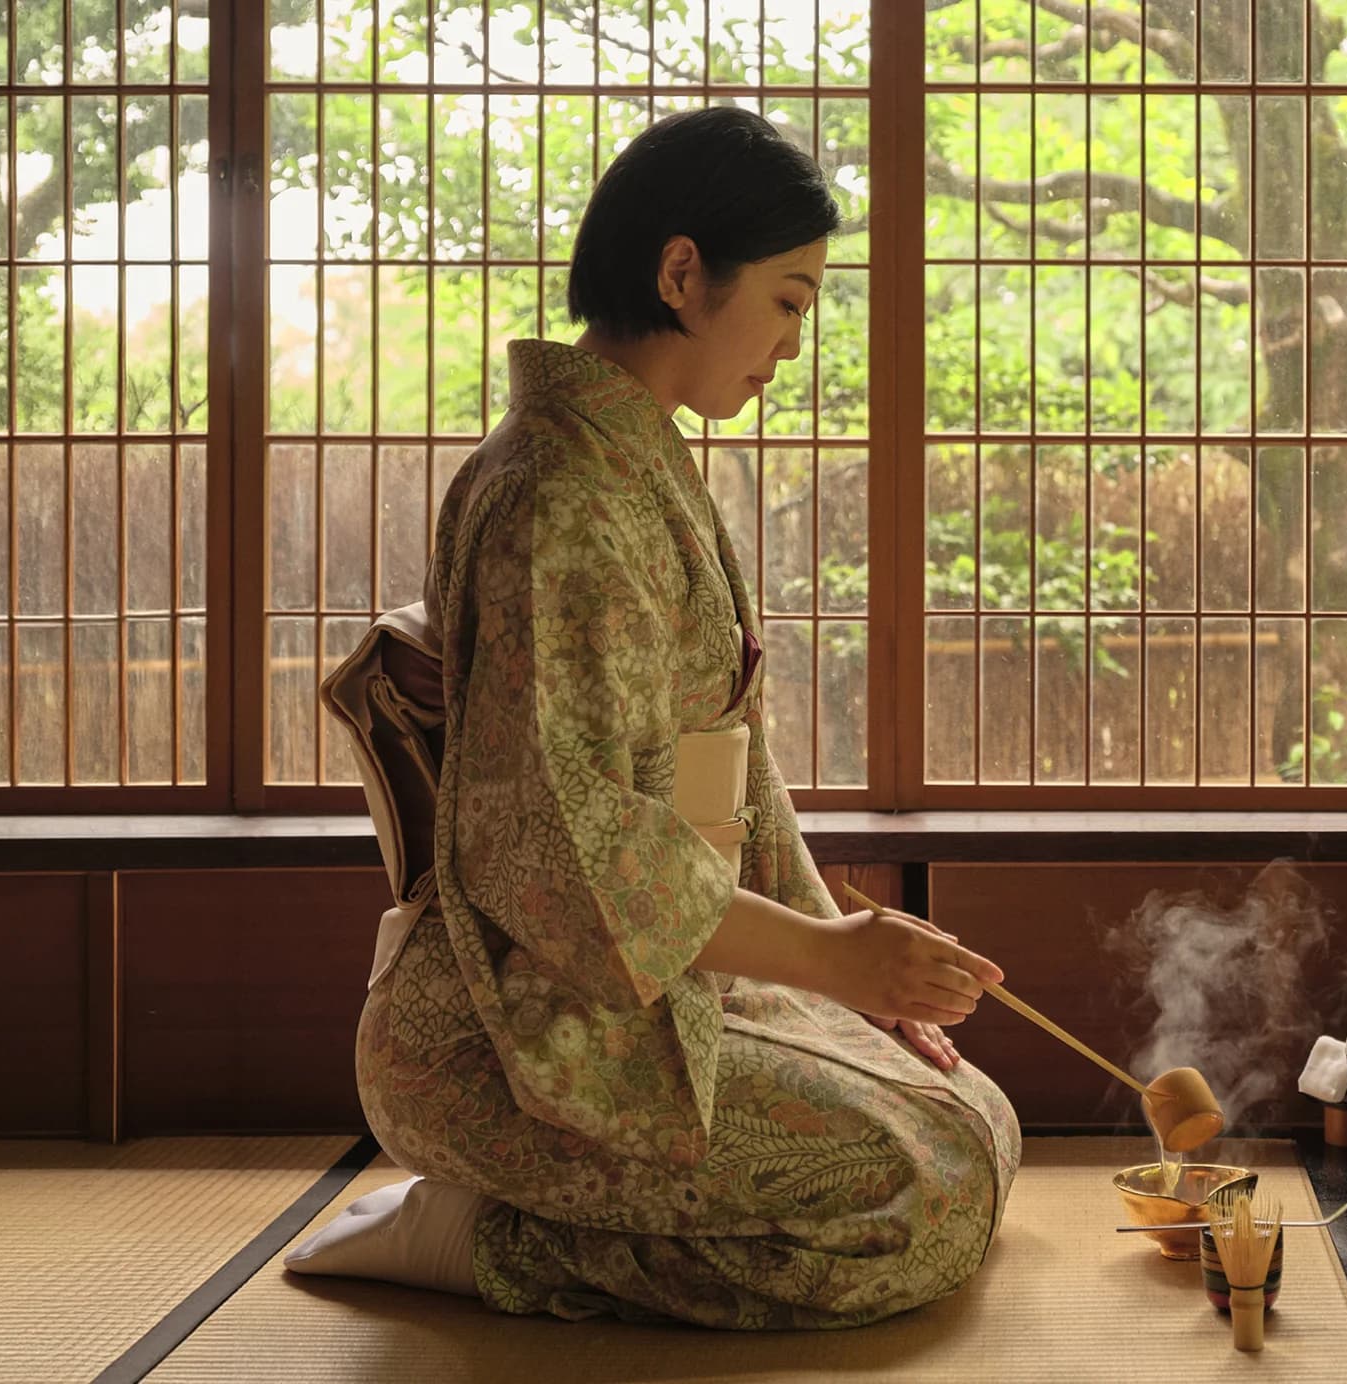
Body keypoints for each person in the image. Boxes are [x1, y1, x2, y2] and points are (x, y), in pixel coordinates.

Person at [283, 106, 1021, 1329]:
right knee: (918, 1198)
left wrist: (844, 963)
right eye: (788, 300)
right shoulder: (555, 495)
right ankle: (489, 1235)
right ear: (683, 273)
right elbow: (560, 851)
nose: (795, 342)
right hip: (509, 1033)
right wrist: (829, 961)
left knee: (975, 1119)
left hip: (653, 979)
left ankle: (539, 1215)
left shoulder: (640, 464)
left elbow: (715, 773)